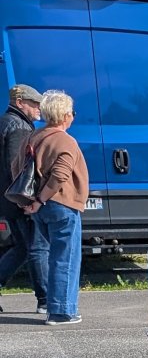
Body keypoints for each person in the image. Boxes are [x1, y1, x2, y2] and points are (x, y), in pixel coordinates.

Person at [21, 90, 87, 324]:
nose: (73, 116)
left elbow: (18, 168)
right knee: (66, 258)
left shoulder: (35, 137)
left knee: (53, 256)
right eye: (72, 112)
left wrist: (35, 202)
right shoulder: (65, 140)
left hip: (41, 207)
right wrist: (41, 200)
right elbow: (60, 174)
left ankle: (54, 306)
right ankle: (61, 311)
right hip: (61, 203)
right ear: (64, 114)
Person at [0, 83, 48, 313]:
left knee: (21, 248)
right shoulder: (19, 127)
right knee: (38, 248)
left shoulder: (6, 121)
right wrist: (28, 201)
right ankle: (46, 299)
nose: (39, 108)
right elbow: (17, 168)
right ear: (20, 103)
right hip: (19, 200)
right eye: (34, 103)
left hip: (8, 200)